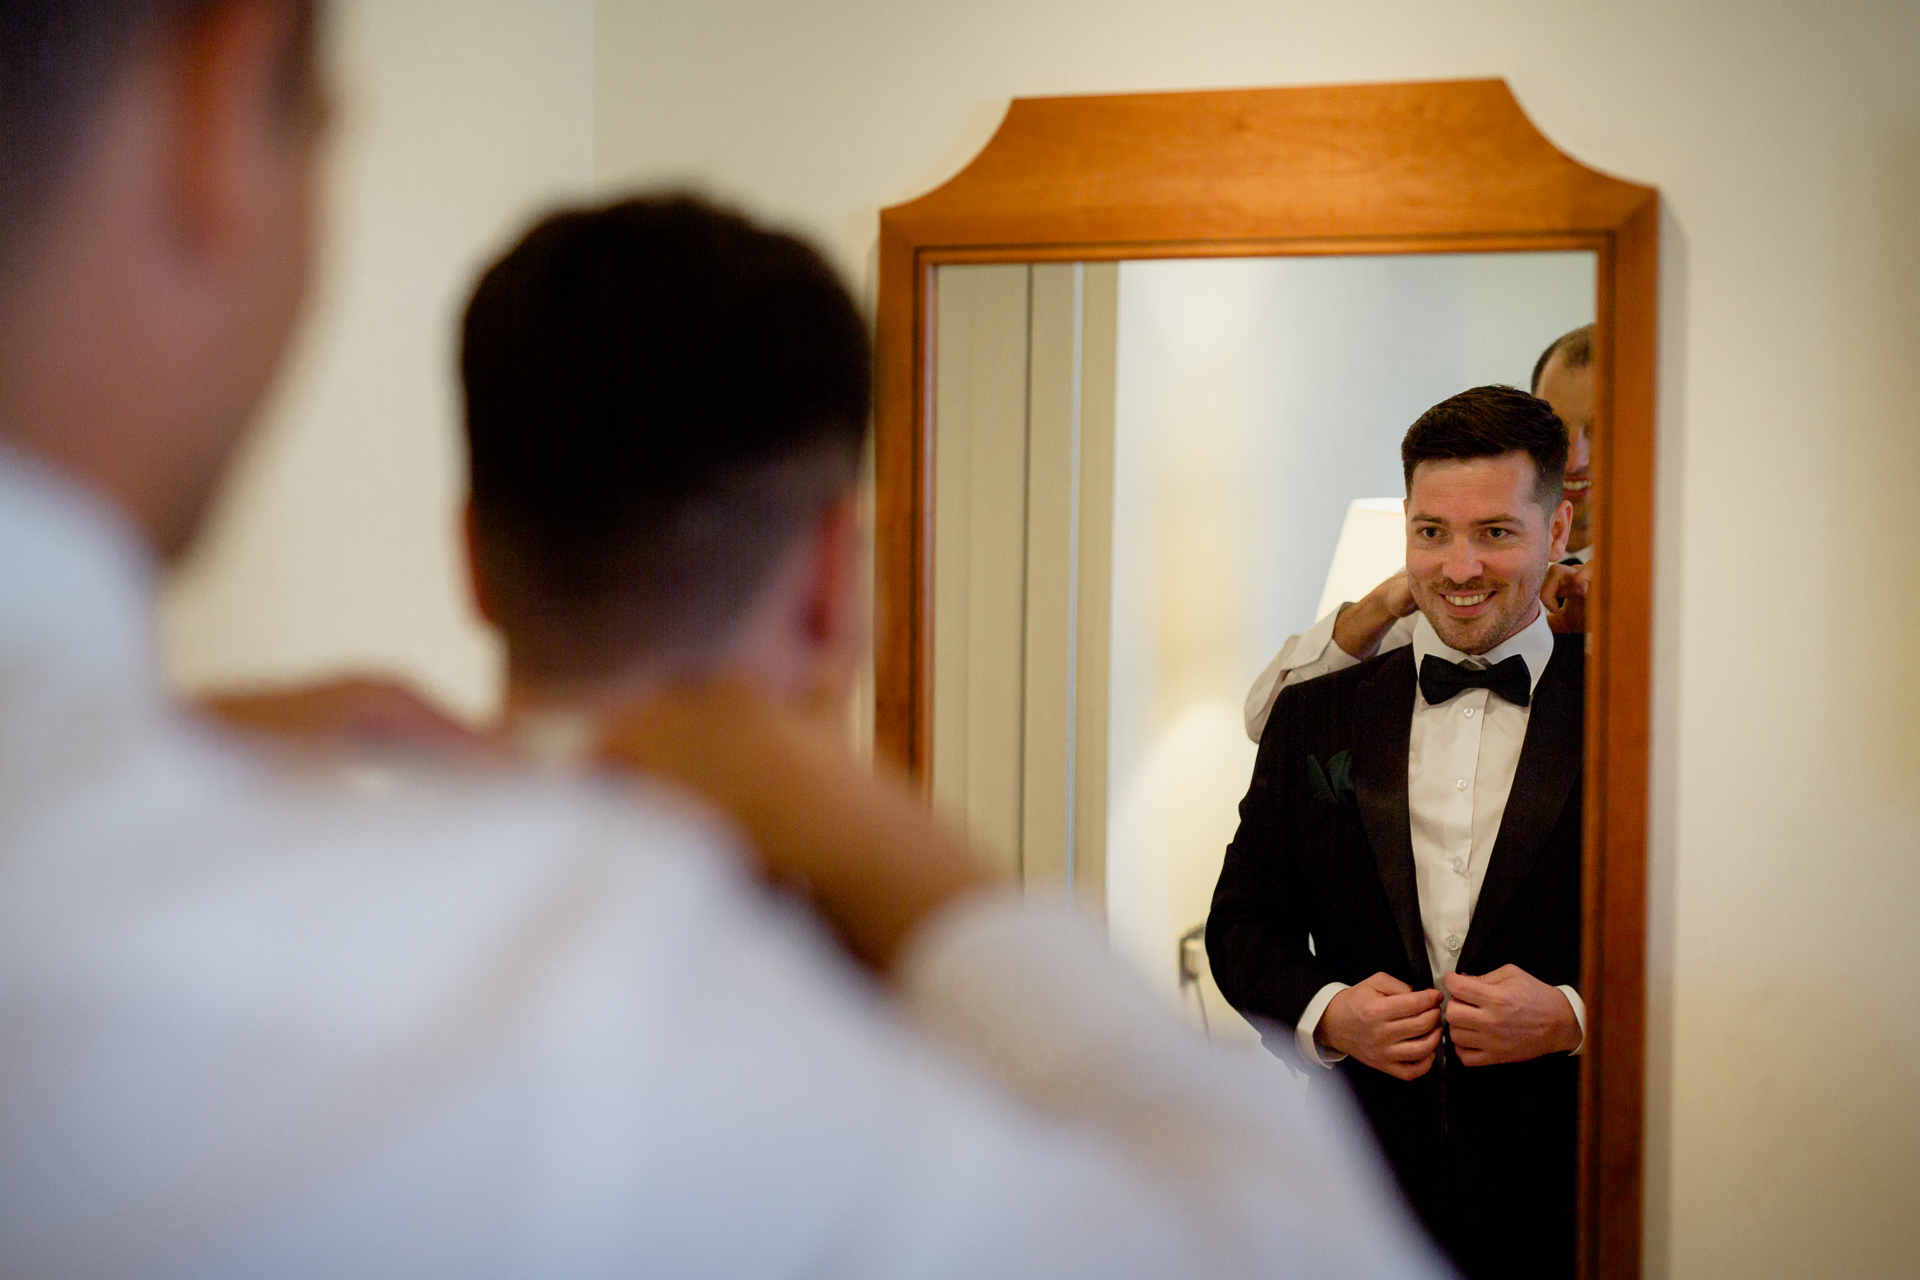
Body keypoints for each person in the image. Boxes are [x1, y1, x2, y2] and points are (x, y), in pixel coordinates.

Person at [0, 3, 1450, 1276]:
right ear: (833, 580)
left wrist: (157, 733)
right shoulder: (607, 995)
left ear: (472, 559)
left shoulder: (184, 869)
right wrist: (902, 856)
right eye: (319, 127)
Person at [1208, 385, 1586, 1280]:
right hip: (1356, 1186)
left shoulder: (1634, 714)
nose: (1458, 568)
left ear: (1559, 527)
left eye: (1496, 531)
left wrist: (1574, 1018)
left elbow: (1703, 941)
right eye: (1431, 532)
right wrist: (1326, 1013)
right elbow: (1241, 927)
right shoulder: (1313, 718)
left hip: (1568, 1188)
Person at [1242, 324, 1597, 742]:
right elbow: (1267, 721)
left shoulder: (1673, 602)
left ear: (1558, 528)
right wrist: (1383, 602)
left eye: (1601, 427)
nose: (1574, 458)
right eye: (1559, 428)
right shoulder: (1447, 580)